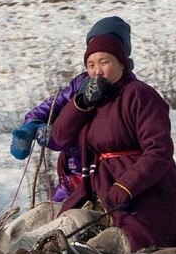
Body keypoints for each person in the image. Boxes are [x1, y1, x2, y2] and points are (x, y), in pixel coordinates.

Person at [50, 27, 176, 252]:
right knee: (56, 240)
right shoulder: (92, 100)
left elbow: (159, 150)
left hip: (145, 191)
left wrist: (126, 186)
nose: (97, 71)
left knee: (131, 247)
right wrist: (81, 104)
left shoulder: (139, 94)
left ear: (122, 63)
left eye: (104, 62)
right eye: (91, 65)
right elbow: (60, 137)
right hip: (97, 185)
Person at [10, 16, 133, 203]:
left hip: (103, 180)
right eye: (92, 61)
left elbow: (98, 138)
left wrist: (56, 138)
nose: (97, 70)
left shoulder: (129, 94)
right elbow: (54, 105)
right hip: (69, 180)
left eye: (105, 60)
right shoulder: (81, 83)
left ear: (120, 57)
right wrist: (31, 125)